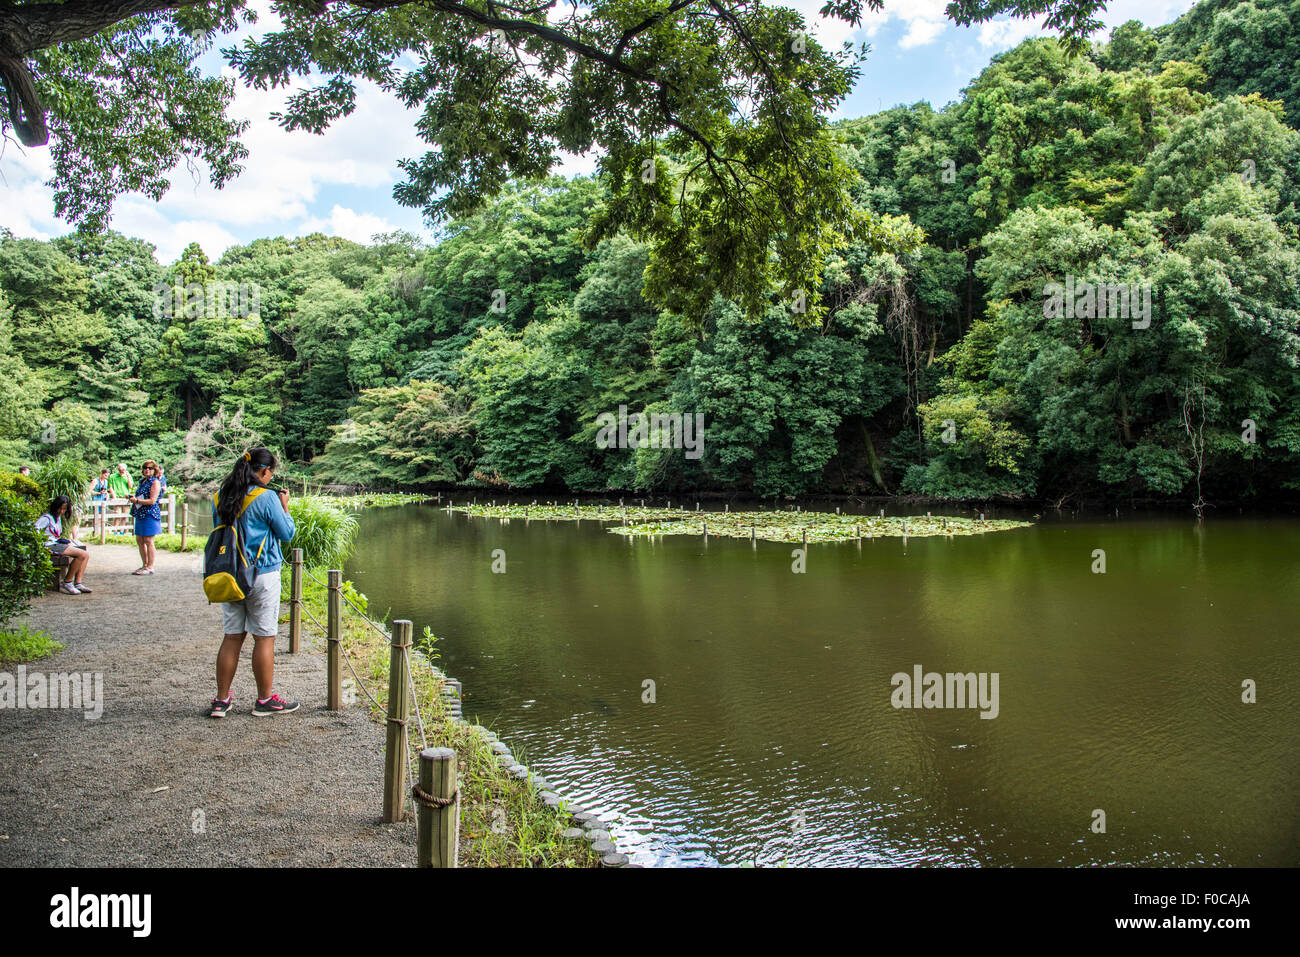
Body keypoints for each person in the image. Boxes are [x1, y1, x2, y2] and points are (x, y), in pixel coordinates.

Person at [207, 447, 299, 718]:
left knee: (232, 637)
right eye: (271, 472)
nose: (271, 477)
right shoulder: (267, 497)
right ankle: (264, 701)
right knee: (264, 637)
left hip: (230, 575)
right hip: (262, 575)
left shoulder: (218, 497)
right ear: (264, 471)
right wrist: (285, 506)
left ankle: (221, 701)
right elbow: (287, 533)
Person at [36, 495, 92, 595]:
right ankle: (67, 582)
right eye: (60, 508)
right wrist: (41, 547)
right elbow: (35, 531)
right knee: (82, 554)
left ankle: (78, 583)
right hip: (49, 546)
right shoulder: (46, 518)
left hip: (56, 544)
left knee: (86, 554)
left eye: (64, 509)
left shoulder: (57, 518)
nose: (61, 511)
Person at [128, 460, 162, 574]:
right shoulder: (142, 481)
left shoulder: (155, 482)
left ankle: (150, 566)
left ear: (154, 470)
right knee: (139, 540)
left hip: (149, 513)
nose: (147, 470)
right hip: (140, 512)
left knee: (148, 540)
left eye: (150, 468)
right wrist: (133, 498)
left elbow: (152, 501)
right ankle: (144, 565)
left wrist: (136, 500)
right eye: (145, 467)